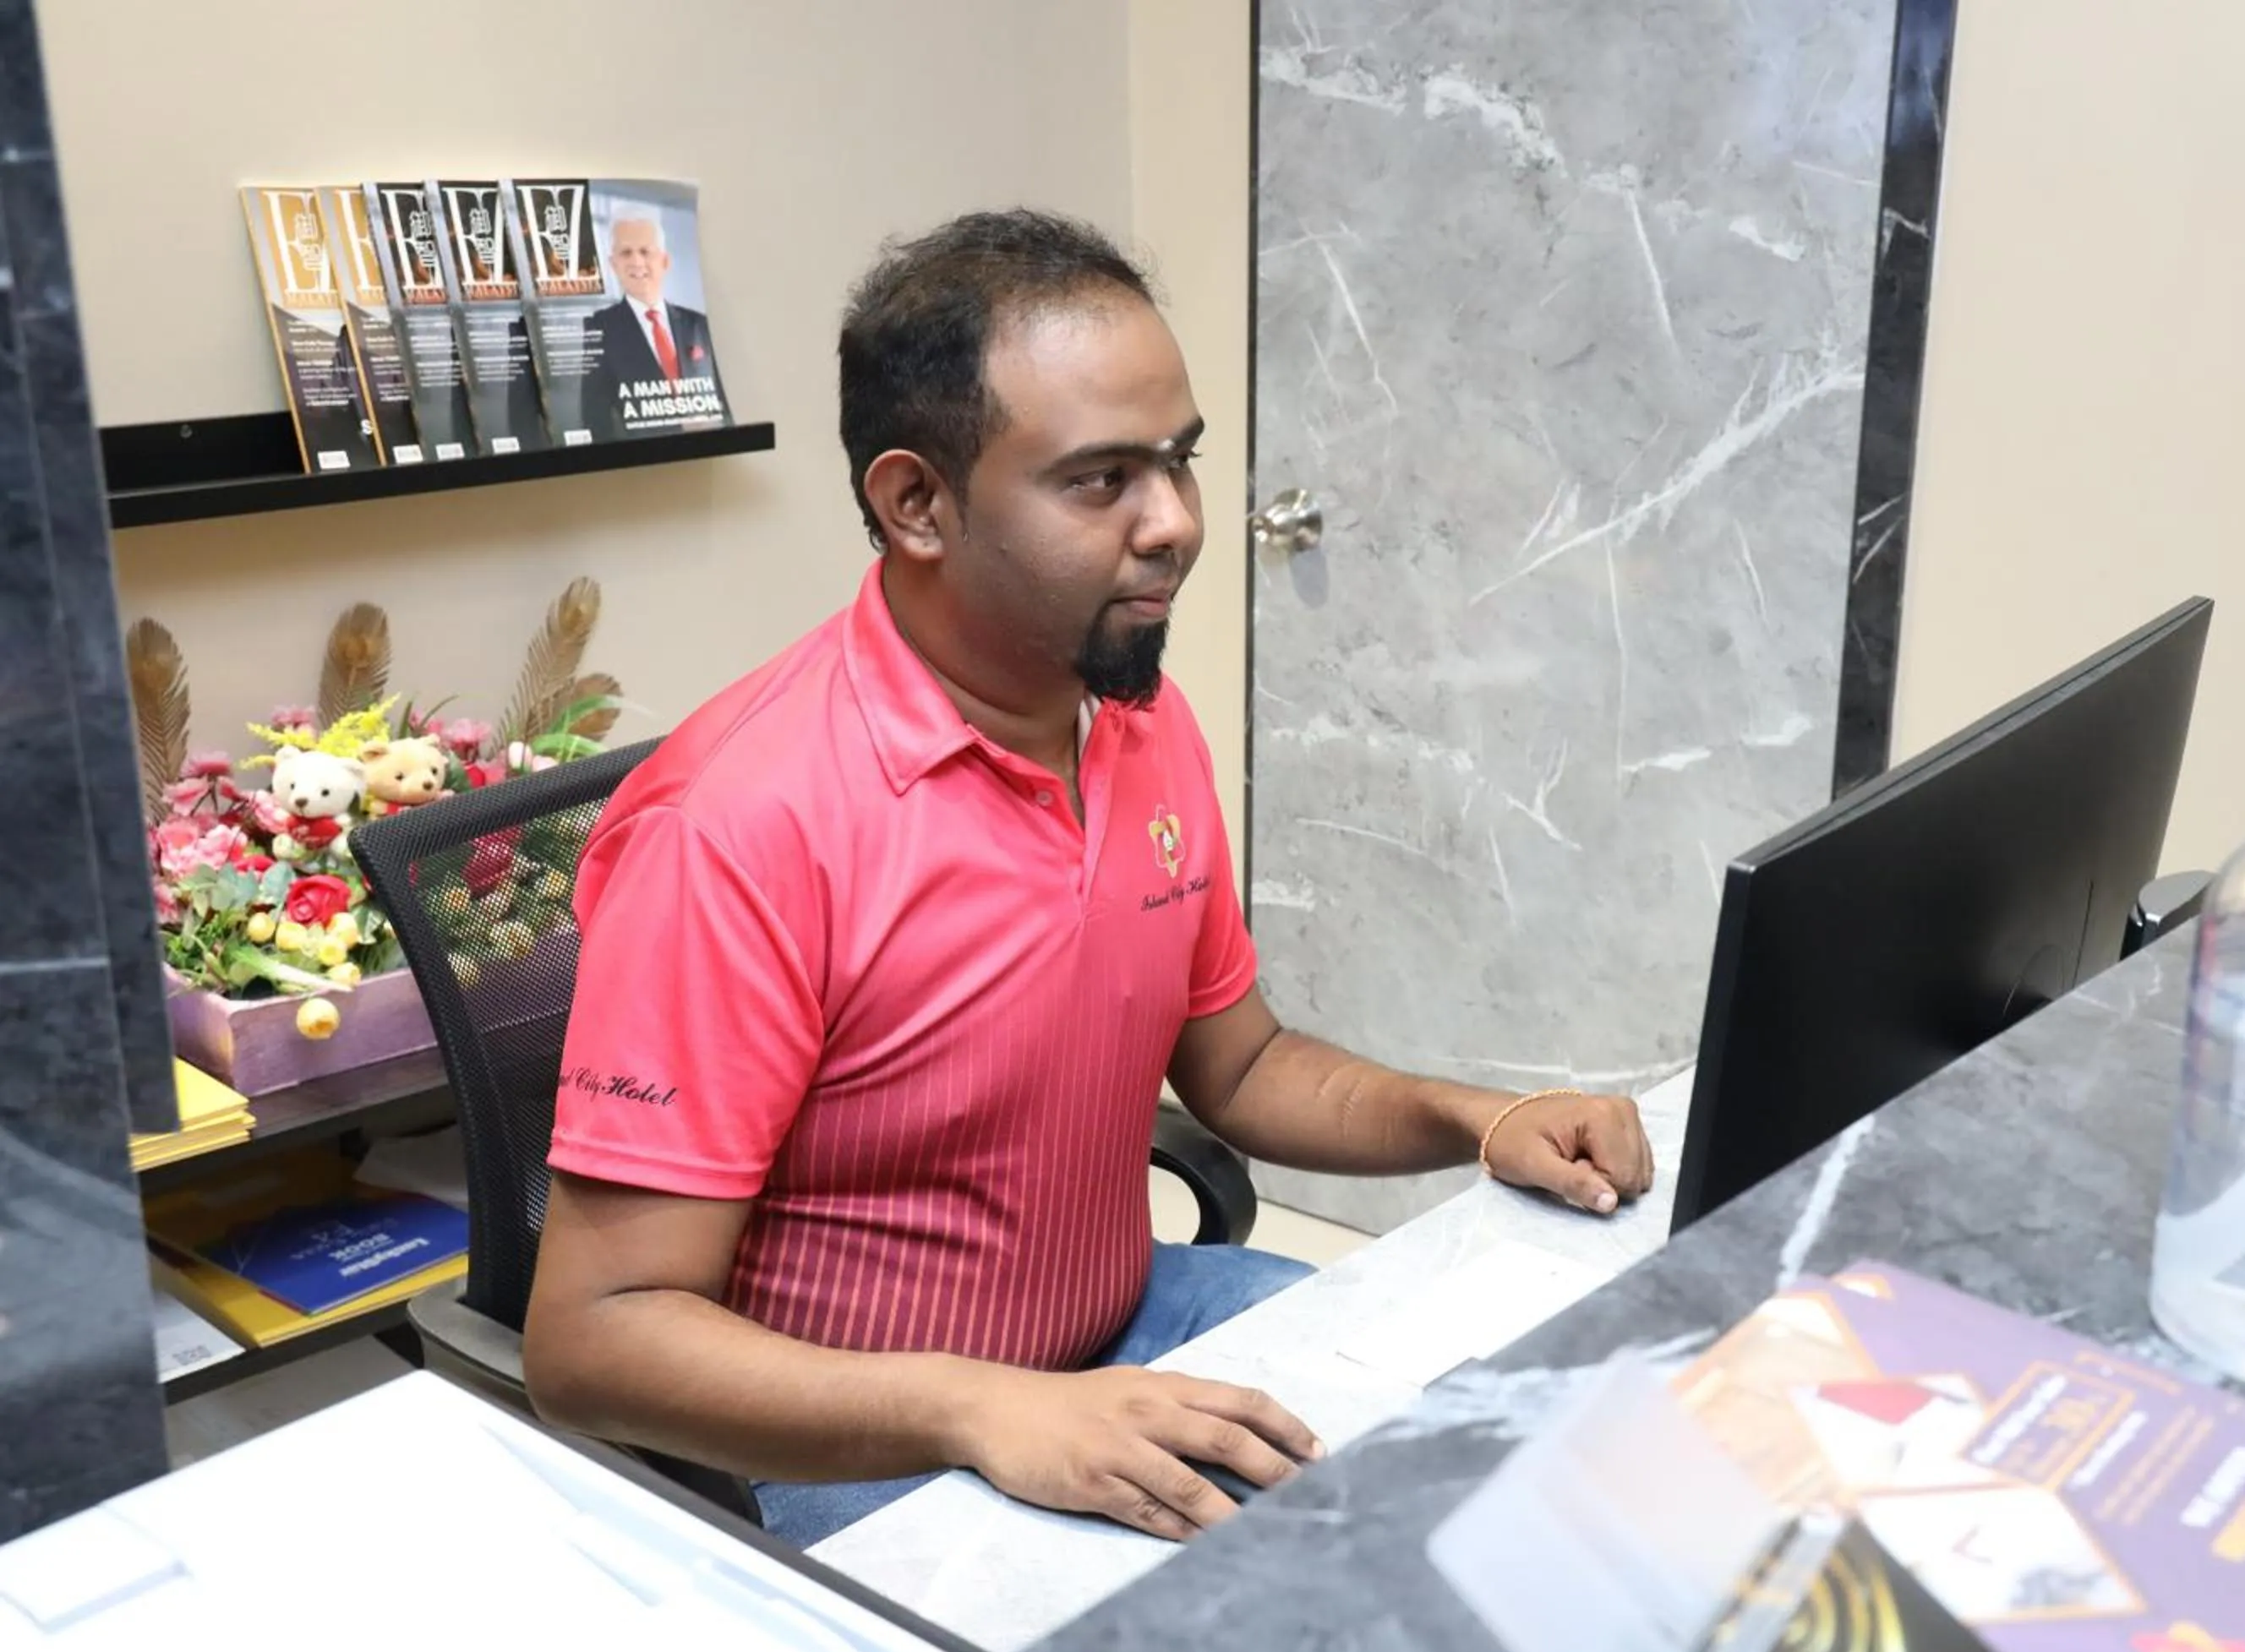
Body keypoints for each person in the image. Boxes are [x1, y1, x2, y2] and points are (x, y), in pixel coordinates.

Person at [522, 209, 1653, 1550]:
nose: (1176, 523)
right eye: (1100, 480)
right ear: (916, 503)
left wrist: (1482, 1117)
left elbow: (1238, 1067)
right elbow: (591, 1346)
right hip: (864, 1436)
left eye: (1177, 462)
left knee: (1523, 1468)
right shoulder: (740, 827)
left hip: (1126, 1331)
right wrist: (980, 1410)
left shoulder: (1127, 710)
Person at [577, 209, 722, 435]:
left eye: (646, 251)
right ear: (613, 264)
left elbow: (722, 405)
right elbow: (595, 422)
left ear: (664, 261)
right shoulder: (598, 328)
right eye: (626, 252)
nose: (636, 261)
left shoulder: (699, 324)